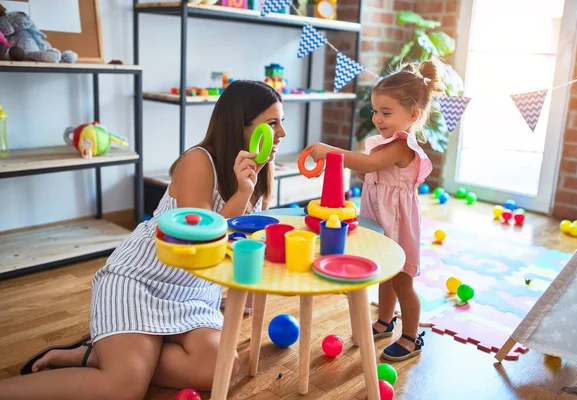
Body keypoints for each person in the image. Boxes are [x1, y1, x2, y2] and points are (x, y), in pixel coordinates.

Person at [0, 80, 287, 400]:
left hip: (192, 292)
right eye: (272, 123)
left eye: (282, 123)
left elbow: (240, 243)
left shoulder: (260, 171)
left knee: (222, 368)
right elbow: (204, 241)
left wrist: (239, 291)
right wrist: (243, 192)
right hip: (141, 280)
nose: (282, 134)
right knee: (124, 388)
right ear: (240, 124)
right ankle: (114, 358)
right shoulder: (198, 161)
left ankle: (102, 354)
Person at [304, 59, 442, 362]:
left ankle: (410, 336)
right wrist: (357, 173)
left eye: (386, 112)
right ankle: (385, 320)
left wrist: (331, 151)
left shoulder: (403, 145)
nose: (378, 118)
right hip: (378, 218)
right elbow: (369, 174)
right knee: (383, 273)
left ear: (413, 115)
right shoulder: (383, 143)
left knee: (402, 280)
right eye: (375, 111)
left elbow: (367, 164)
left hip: (398, 222)